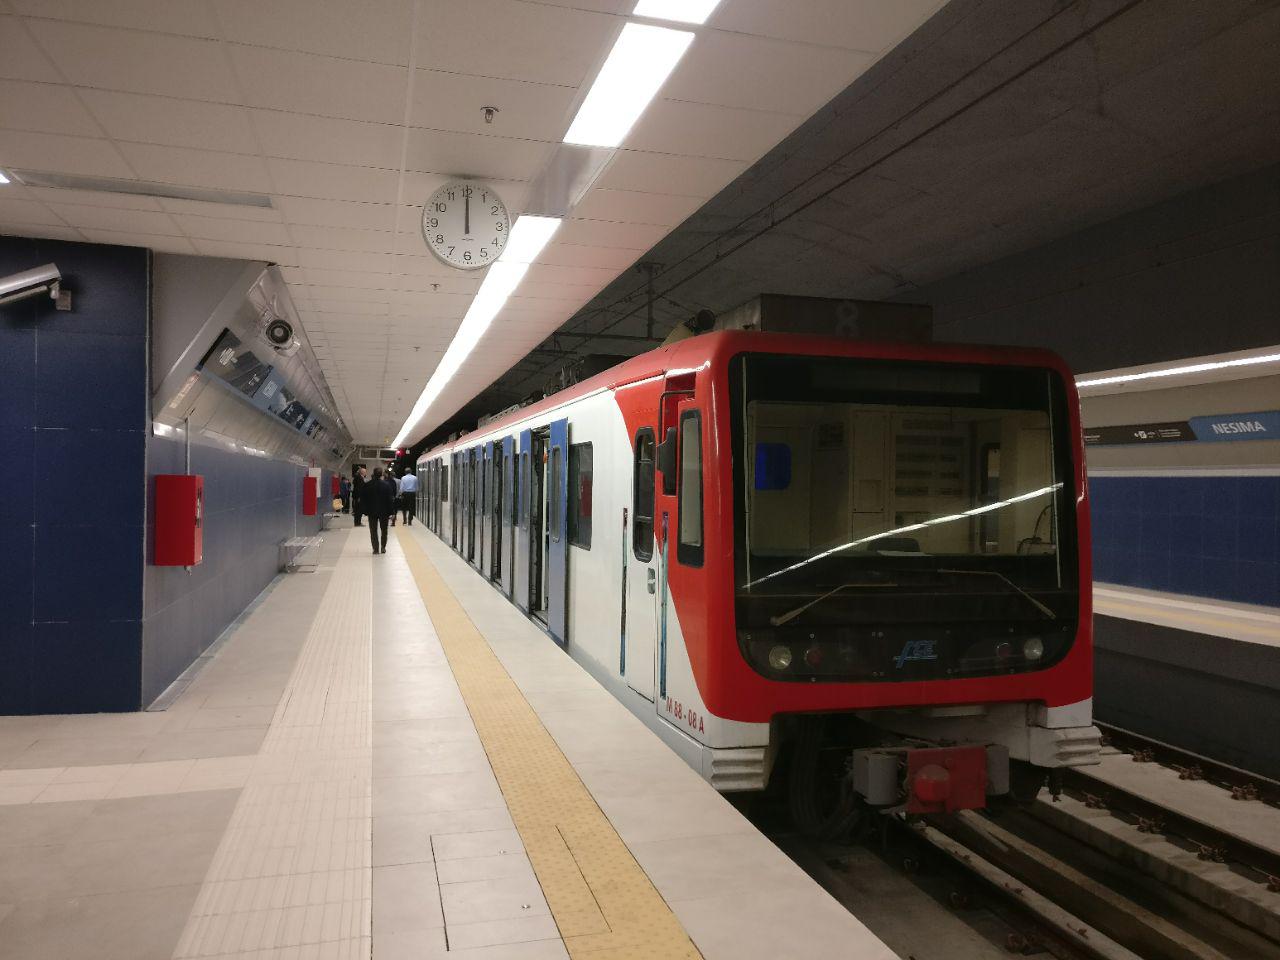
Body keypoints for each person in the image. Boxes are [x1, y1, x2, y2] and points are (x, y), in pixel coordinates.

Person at [365, 467, 397, 554]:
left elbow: (365, 499)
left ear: (373, 473)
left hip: (372, 511)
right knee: (384, 530)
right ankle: (383, 547)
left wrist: (365, 511)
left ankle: (375, 549)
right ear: (381, 474)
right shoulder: (386, 485)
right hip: (384, 512)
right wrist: (392, 512)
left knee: (373, 531)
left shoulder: (368, 485)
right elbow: (390, 500)